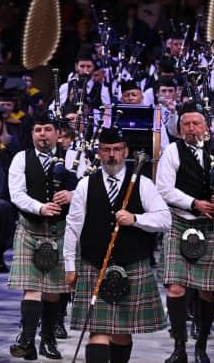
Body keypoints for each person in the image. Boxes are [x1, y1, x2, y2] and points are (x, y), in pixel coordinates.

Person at [64, 127, 171, 363]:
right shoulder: (85, 185)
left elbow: (165, 219)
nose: (112, 155)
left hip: (132, 266)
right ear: (99, 153)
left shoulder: (142, 184)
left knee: (122, 333)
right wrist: (70, 265)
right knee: (97, 331)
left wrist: (136, 219)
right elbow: (72, 227)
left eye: (117, 150)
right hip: (94, 265)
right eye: (106, 150)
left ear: (126, 152)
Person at [156, 102, 214, 363]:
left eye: (196, 123)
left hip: (212, 227)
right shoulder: (172, 153)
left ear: (206, 127)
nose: (191, 128)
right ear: (179, 128)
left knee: (208, 291)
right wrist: (194, 203)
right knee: (176, 289)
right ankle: (179, 347)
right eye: (186, 124)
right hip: (181, 222)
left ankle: (201, 346)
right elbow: (163, 188)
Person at [7, 112, 73, 360]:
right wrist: (40, 207)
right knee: (32, 287)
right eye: (38, 130)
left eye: (47, 129)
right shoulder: (20, 159)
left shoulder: (73, 157)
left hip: (61, 229)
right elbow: (16, 194)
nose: (42, 134)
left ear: (57, 132)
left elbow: (90, 187)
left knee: (54, 290)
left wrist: (72, 195)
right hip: (31, 228)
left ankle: (47, 340)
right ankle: (26, 339)